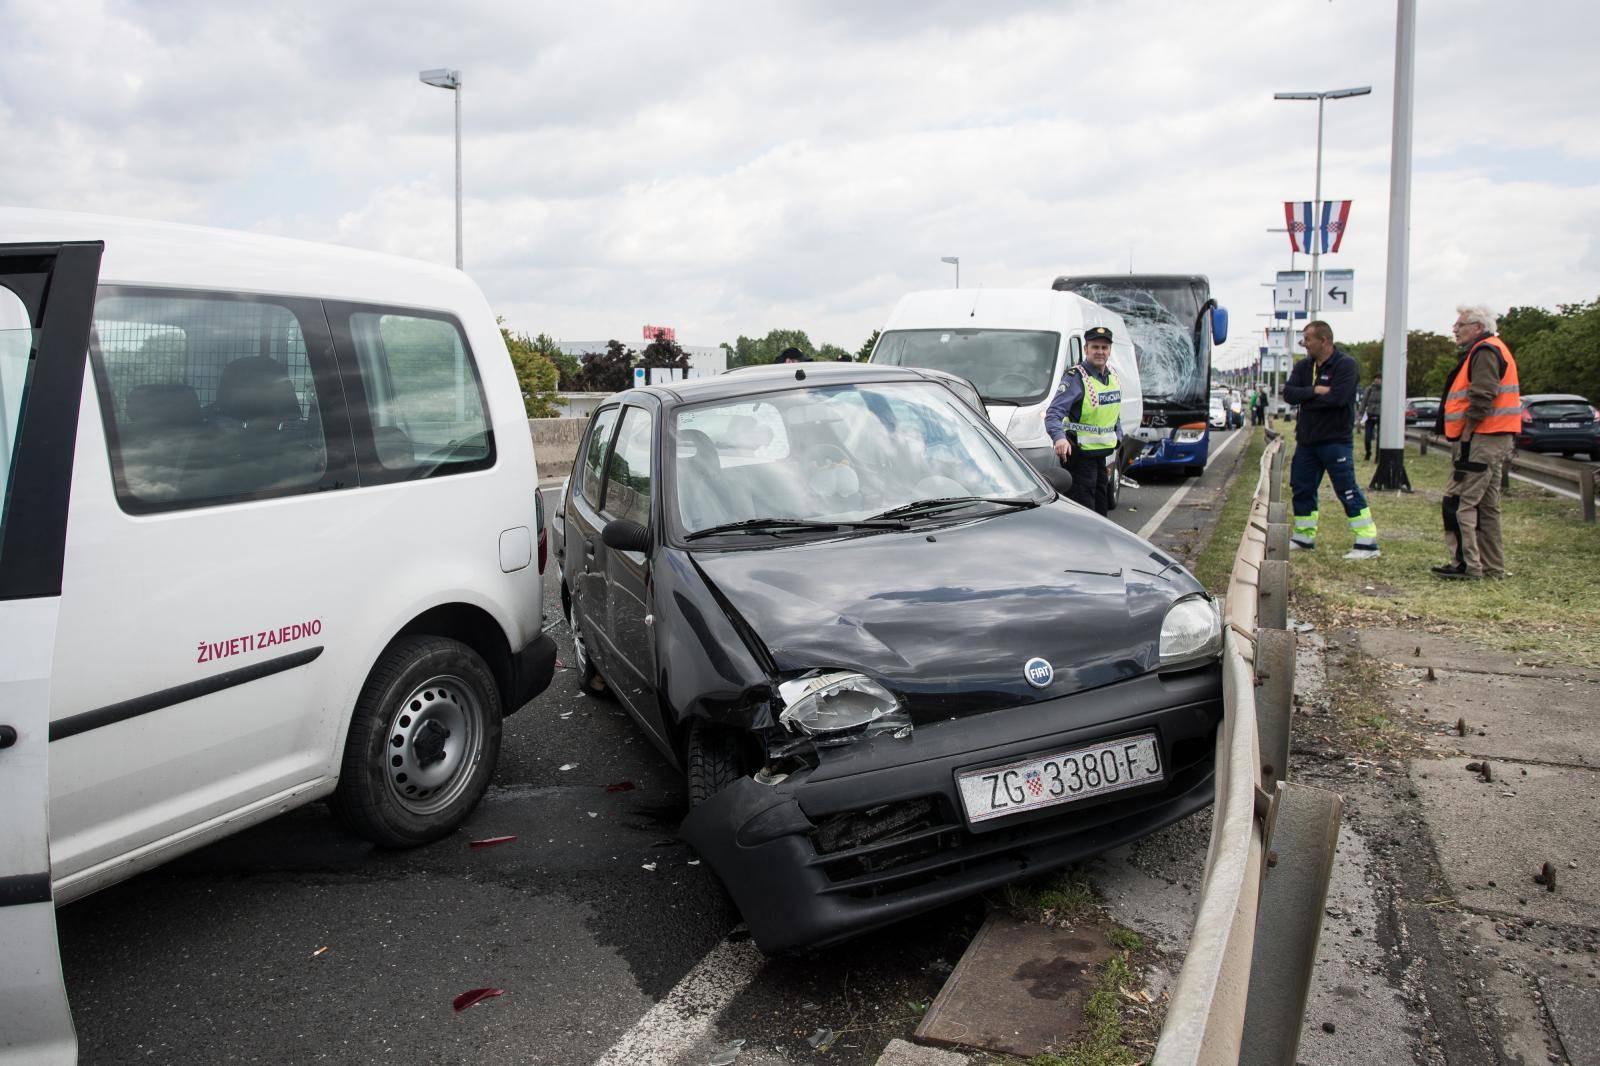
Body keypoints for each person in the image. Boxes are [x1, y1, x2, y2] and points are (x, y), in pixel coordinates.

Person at [1431, 305, 1520, 580]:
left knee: (1460, 501)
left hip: (1481, 437)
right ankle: (1492, 567)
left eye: (1460, 325)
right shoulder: (1494, 348)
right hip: (1495, 437)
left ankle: (1467, 565)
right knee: (1487, 506)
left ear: (1478, 327)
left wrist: (1468, 432)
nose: (1455, 329)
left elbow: (1483, 395)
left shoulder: (1484, 352)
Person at [1281, 320, 1380, 559]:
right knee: (1301, 487)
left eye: (1308, 339)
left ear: (1323, 341)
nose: (1304, 344)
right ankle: (1304, 537)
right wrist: (1314, 391)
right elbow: (1289, 394)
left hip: (1335, 440)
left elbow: (1338, 398)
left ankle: (1367, 542)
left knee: (1346, 488)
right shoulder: (1304, 366)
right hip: (1307, 440)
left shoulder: (1346, 365)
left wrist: (1306, 399)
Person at [1046, 325, 1122, 515]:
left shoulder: (1112, 377)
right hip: (1079, 458)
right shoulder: (1076, 377)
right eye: (1095, 347)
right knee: (1084, 513)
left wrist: (1118, 435)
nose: (1100, 352)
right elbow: (1053, 413)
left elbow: (1113, 412)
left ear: (1110, 350)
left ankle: (1100, 544)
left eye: (1104, 348)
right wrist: (1059, 438)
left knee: (1101, 510)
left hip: (1100, 456)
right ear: (1086, 349)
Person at [1360, 373, 1383, 461]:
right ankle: (1368, 452)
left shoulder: (1385, 389)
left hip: (1380, 415)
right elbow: (1364, 402)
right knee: (1368, 437)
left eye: (1379, 378)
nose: (1377, 380)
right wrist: (1360, 414)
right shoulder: (1369, 389)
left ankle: (1378, 456)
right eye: (1376, 378)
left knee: (1380, 438)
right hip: (1370, 414)